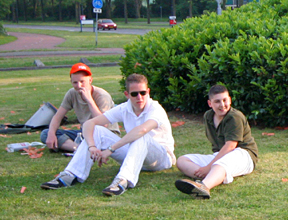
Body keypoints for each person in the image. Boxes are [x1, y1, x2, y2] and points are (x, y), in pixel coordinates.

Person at [40, 73, 175, 196]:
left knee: (141, 135)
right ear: (127, 94)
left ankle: (122, 181)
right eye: (134, 94)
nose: (139, 97)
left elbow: (142, 130)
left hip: (161, 158)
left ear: (148, 92)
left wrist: (111, 149)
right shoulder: (124, 108)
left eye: (143, 92)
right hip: (134, 156)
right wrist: (92, 147)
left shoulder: (155, 109)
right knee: (97, 130)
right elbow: (89, 124)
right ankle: (70, 175)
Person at [174, 84, 258, 199]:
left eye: (225, 100)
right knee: (182, 160)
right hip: (222, 155)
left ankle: (203, 186)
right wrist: (208, 167)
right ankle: (211, 176)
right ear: (210, 104)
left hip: (243, 154)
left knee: (219, 165)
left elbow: (231, 146)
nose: (222, 105)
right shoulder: (208, 116)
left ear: (230, 100)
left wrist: (208, 167)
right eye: (217, 101)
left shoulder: (234, 117)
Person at [41, 63, 119, 152]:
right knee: (45, 133)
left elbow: (103, 124)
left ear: (90, 80)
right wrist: (51, 134)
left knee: (97, 135)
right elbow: (58, 117)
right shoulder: (72, 93)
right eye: (75, 82)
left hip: (105, 134)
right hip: (85, 133)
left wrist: (89, 100)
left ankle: (79, 148)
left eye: (82, 81)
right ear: (71, 82)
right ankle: (79, 149)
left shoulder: (101, 95)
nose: (79, 86)